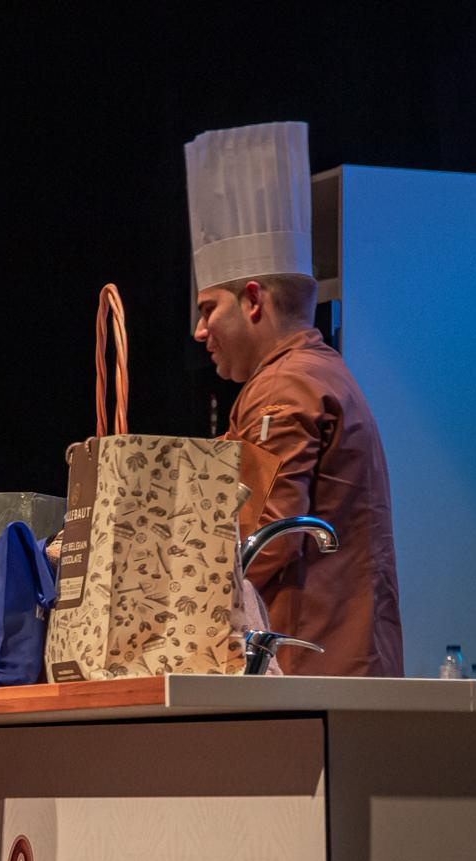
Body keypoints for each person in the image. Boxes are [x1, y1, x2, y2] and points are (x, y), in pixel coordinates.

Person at [186, 120, 403, 676]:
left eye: (208, 308)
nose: (199, 330)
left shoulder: (284, 388)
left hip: (308, 681)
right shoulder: (320, 370)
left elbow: (256, 546)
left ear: (252, 299)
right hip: (344, 672)